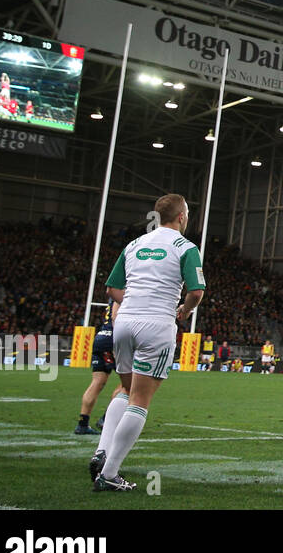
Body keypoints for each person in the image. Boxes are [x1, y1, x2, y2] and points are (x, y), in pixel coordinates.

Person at [89, 193, 207, 492]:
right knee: (140, 400)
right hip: (156, 324)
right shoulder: (186, 247)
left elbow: (113, 287)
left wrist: (133, 302)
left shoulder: (134, 244)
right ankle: (110, 474)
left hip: (124, 323)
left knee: (127, 390)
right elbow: (196, 292)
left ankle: (101, 451)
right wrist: (184, 309)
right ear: (182, 216)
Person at [75, 299, 118, 435]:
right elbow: (115, 317)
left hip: (101, 337)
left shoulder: (115, 295)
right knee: (129, 385)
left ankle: (82, 424)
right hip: (113, 339)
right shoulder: (125, 292)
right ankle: (106, 419)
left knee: (97, 382)